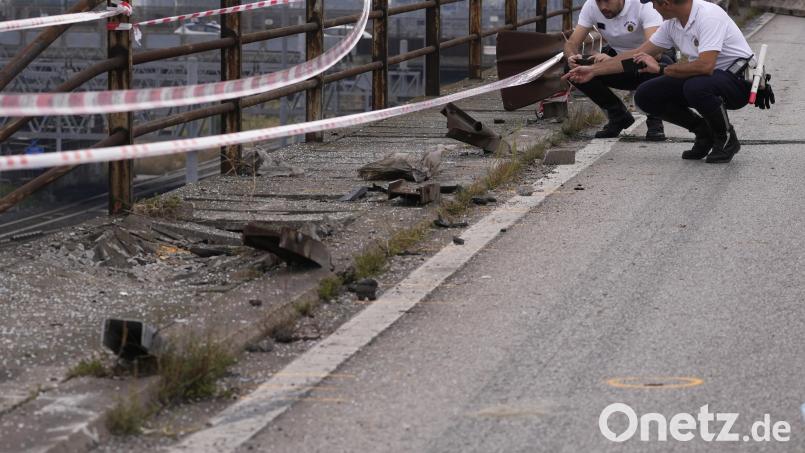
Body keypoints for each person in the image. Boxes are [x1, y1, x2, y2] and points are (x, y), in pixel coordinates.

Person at [564, 0, 774, 163]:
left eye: (654, 3)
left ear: (666, 3)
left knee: (695, 86)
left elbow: (705, 66)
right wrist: (592, 71)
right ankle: (704, 133)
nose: (652, 8)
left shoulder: (708, 16)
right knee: (646, 95)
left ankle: (726, 139)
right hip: (707, 78)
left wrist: (662, 69)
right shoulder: (672, 23)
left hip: (737, 81)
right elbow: (637, 55)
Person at [564, 0, 668, 140]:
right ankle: (618, 115)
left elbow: (655, 53)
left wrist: (612, 61)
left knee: (655, 64)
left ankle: (655, 119)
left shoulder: (645, 5)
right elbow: (571, 43)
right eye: (599, 2)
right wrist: (571, 56)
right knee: (573, 69)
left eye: (607, 1)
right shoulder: (591, 5)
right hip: (617, 64)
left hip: (647, 64)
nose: (603, 7)